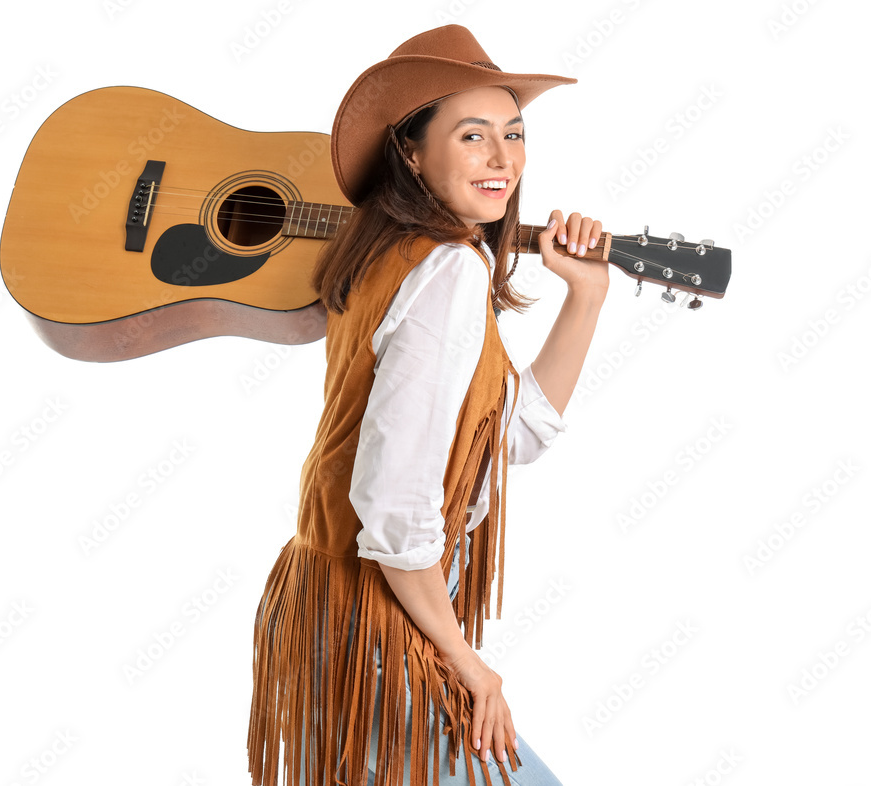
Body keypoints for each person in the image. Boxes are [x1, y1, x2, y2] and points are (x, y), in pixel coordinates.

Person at [247, 25, 608, 786]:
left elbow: (510, 436)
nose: (503, 159)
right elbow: (394, 508)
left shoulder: (389, 249)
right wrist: (469, 664)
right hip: (379, 623)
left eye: (514, 134)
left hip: (325, 602)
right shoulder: (448, 269)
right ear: (411, 151)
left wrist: (588, 294)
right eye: (472, 136)